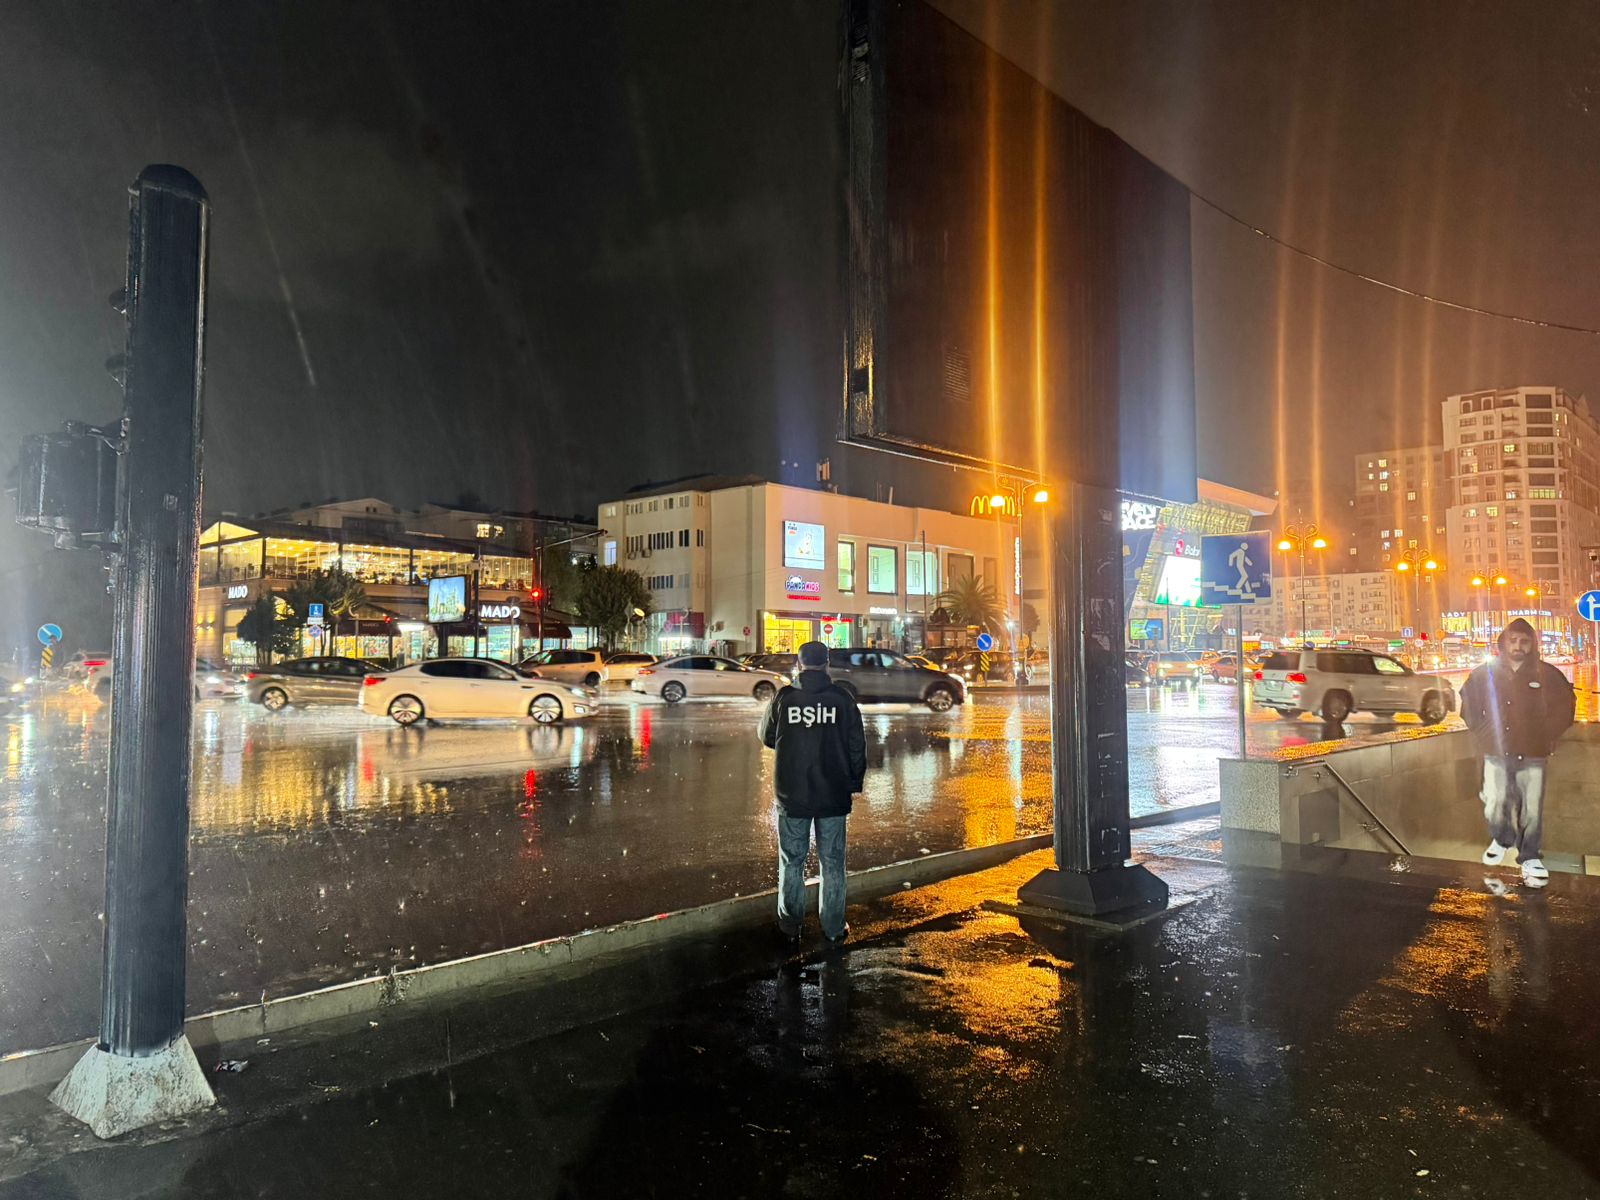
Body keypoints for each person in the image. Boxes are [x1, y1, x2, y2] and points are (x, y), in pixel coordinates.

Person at [757, 640, 867, 945]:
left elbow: (766, 736)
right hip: (833, 792)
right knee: (832, 862)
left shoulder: (784, 697)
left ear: (799, 664)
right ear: (826, 665)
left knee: (792, 861)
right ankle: (833, 927)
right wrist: (853, 782)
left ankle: (790, 925)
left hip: (792, 793)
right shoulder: (842, 699)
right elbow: (856, 744)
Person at [1460, 618, 1575, 888]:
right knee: (1495, 802)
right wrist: (1484, 732)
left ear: (1532, 644)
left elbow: (1565, 707)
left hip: (1533, 753)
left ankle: (1530, 856)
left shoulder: (1547, 674)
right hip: (1496, 751)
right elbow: (1468, 705)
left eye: (1524, 641)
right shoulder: (1485, 673)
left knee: (1531, 809)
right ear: (1504, 642)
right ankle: (1502, 839)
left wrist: (1546, 734)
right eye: (1513, 640)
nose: (1518, 646)